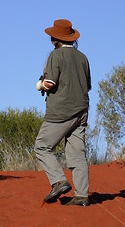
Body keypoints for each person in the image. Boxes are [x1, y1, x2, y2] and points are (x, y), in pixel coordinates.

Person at [35, 19, 91, 206]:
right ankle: (82, 196)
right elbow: (88, 86)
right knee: (77, 153)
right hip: (82, 111)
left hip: (60, 112)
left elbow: (50, 84)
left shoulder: (55, 55)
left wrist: (40, 84)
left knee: (42, 146)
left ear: (55, 38)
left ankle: (59, 181)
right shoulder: (83, 57)